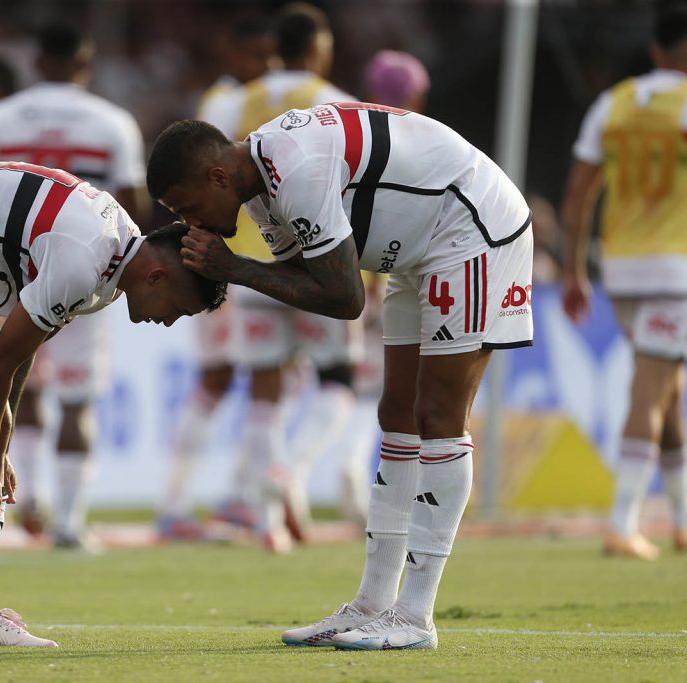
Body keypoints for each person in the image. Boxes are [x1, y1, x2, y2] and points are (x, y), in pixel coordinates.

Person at [146, 98, 533, 649]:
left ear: (216, 175)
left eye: (189, 207)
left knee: (438, 414)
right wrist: (239, 273)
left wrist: (234, 269)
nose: (192, 222)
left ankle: (415, 615)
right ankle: (374, 603)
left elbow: (345, 298)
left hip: (471, 229)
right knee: (395, 412)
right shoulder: (258, 191)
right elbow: (306, 277)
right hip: (417, 249)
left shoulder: (295, 168)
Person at [0, 160, 225, 648]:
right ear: (157, 277)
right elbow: (1, 362)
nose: (171, 322)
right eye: (179, 308)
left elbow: (19, 353)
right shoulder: (86, 259)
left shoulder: (113, 262)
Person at [182, 2, 368, 553]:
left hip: (247, 262)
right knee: (339, 378)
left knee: (265, 391)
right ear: (317, 49)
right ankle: (289, 468)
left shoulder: (234, 101)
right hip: (317, 258)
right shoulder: (333, 101)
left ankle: (263, 518)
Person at [0, 23, 151, 550]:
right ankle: (70, 522)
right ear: (82, 63)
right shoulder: (112, 123)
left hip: (9, 271)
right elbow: (131, 208)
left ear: (37, 61)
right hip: (84, 274)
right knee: (76, 400)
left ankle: (30, 506)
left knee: (20, 387)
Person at [561, 3, 687, 560]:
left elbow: (577, 194)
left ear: (656, 49)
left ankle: (681, 521)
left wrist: (572, 271)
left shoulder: (610, 104)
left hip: (620, 268)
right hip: (674, 269)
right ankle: (622, 524)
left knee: (668, 391)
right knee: (651, 388)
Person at [156, 14, 276, 543]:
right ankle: (212, 500)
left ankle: (218, 497)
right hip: (234, 261)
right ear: (237, 55)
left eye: (271, 60)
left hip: (242, 260)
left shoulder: (224, 102)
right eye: (258, 60)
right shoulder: (230, 104)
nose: (267, 70)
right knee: (235, 379)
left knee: (237, 379)